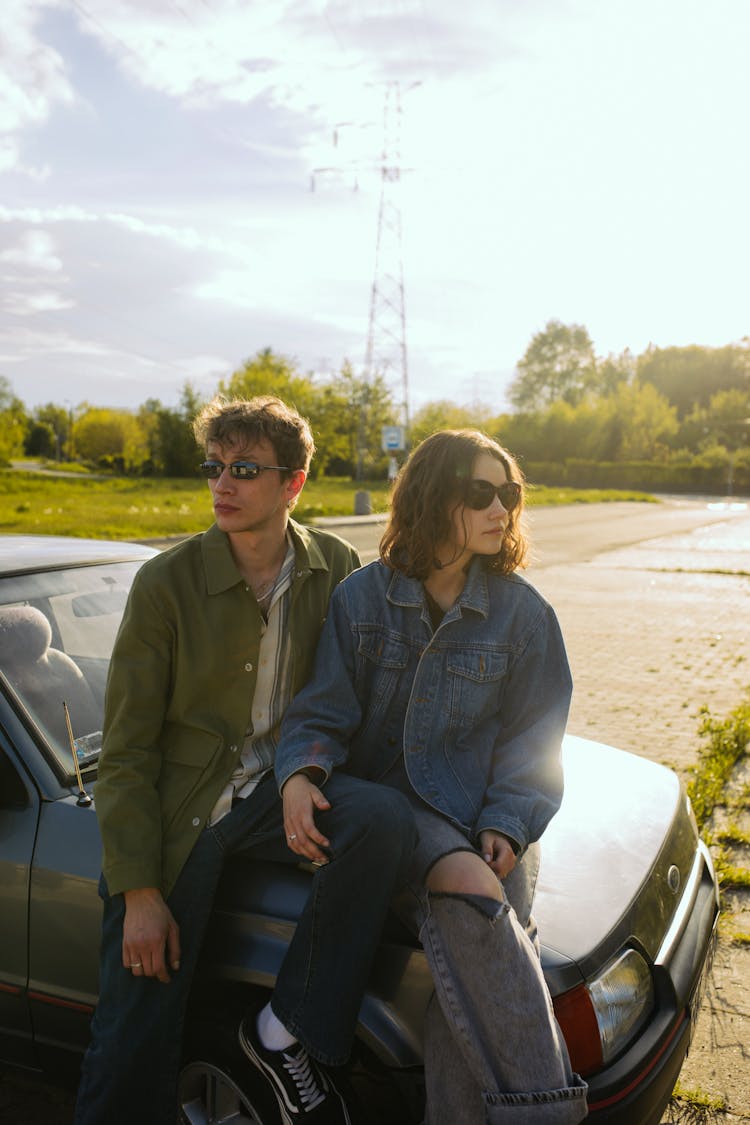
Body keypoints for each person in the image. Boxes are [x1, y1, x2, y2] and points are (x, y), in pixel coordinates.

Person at [75, 395, 416, 1125]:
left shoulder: (337, 568)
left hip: (276, 789)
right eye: (215, 466)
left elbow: (360, 689)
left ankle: (284, 1031)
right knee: (135, 1022)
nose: (222, 485)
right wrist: (138, 893)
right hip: (181, 811)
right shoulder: (166, 582)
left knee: (381, 817)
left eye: (246, 469)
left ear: (293, 483)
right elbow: (128, 750)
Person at [275, 429, 589, 1124]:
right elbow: (320, 710)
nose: (501, 508)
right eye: (481, 493)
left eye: (509, 494)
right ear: (433, 496)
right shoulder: (363, 598)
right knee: (481, 900)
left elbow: (534, 744)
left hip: (481, 818)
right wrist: (301, 773)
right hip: (385, 810)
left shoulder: (525, 615)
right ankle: (550, 1114)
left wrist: (508, 820)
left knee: (474, 947)